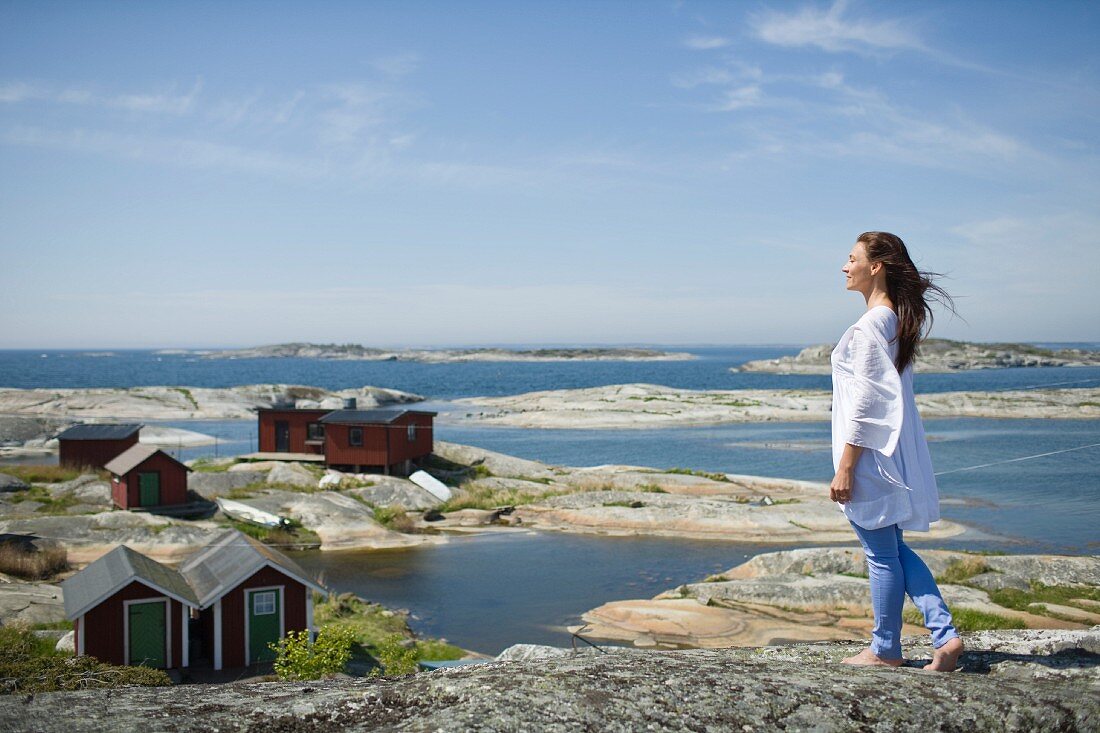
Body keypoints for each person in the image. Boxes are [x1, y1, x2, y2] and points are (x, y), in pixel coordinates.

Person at [830, 231, 963, 672]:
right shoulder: (891, 319)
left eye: (851, 259)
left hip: (870, 457)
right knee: (894, 548)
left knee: (881, 552)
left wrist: (846, 466)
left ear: (876, 266)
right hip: (887, 453)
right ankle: (943, 634)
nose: (844, 267)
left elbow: (868, 402)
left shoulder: (872, 325)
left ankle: (886, 648)